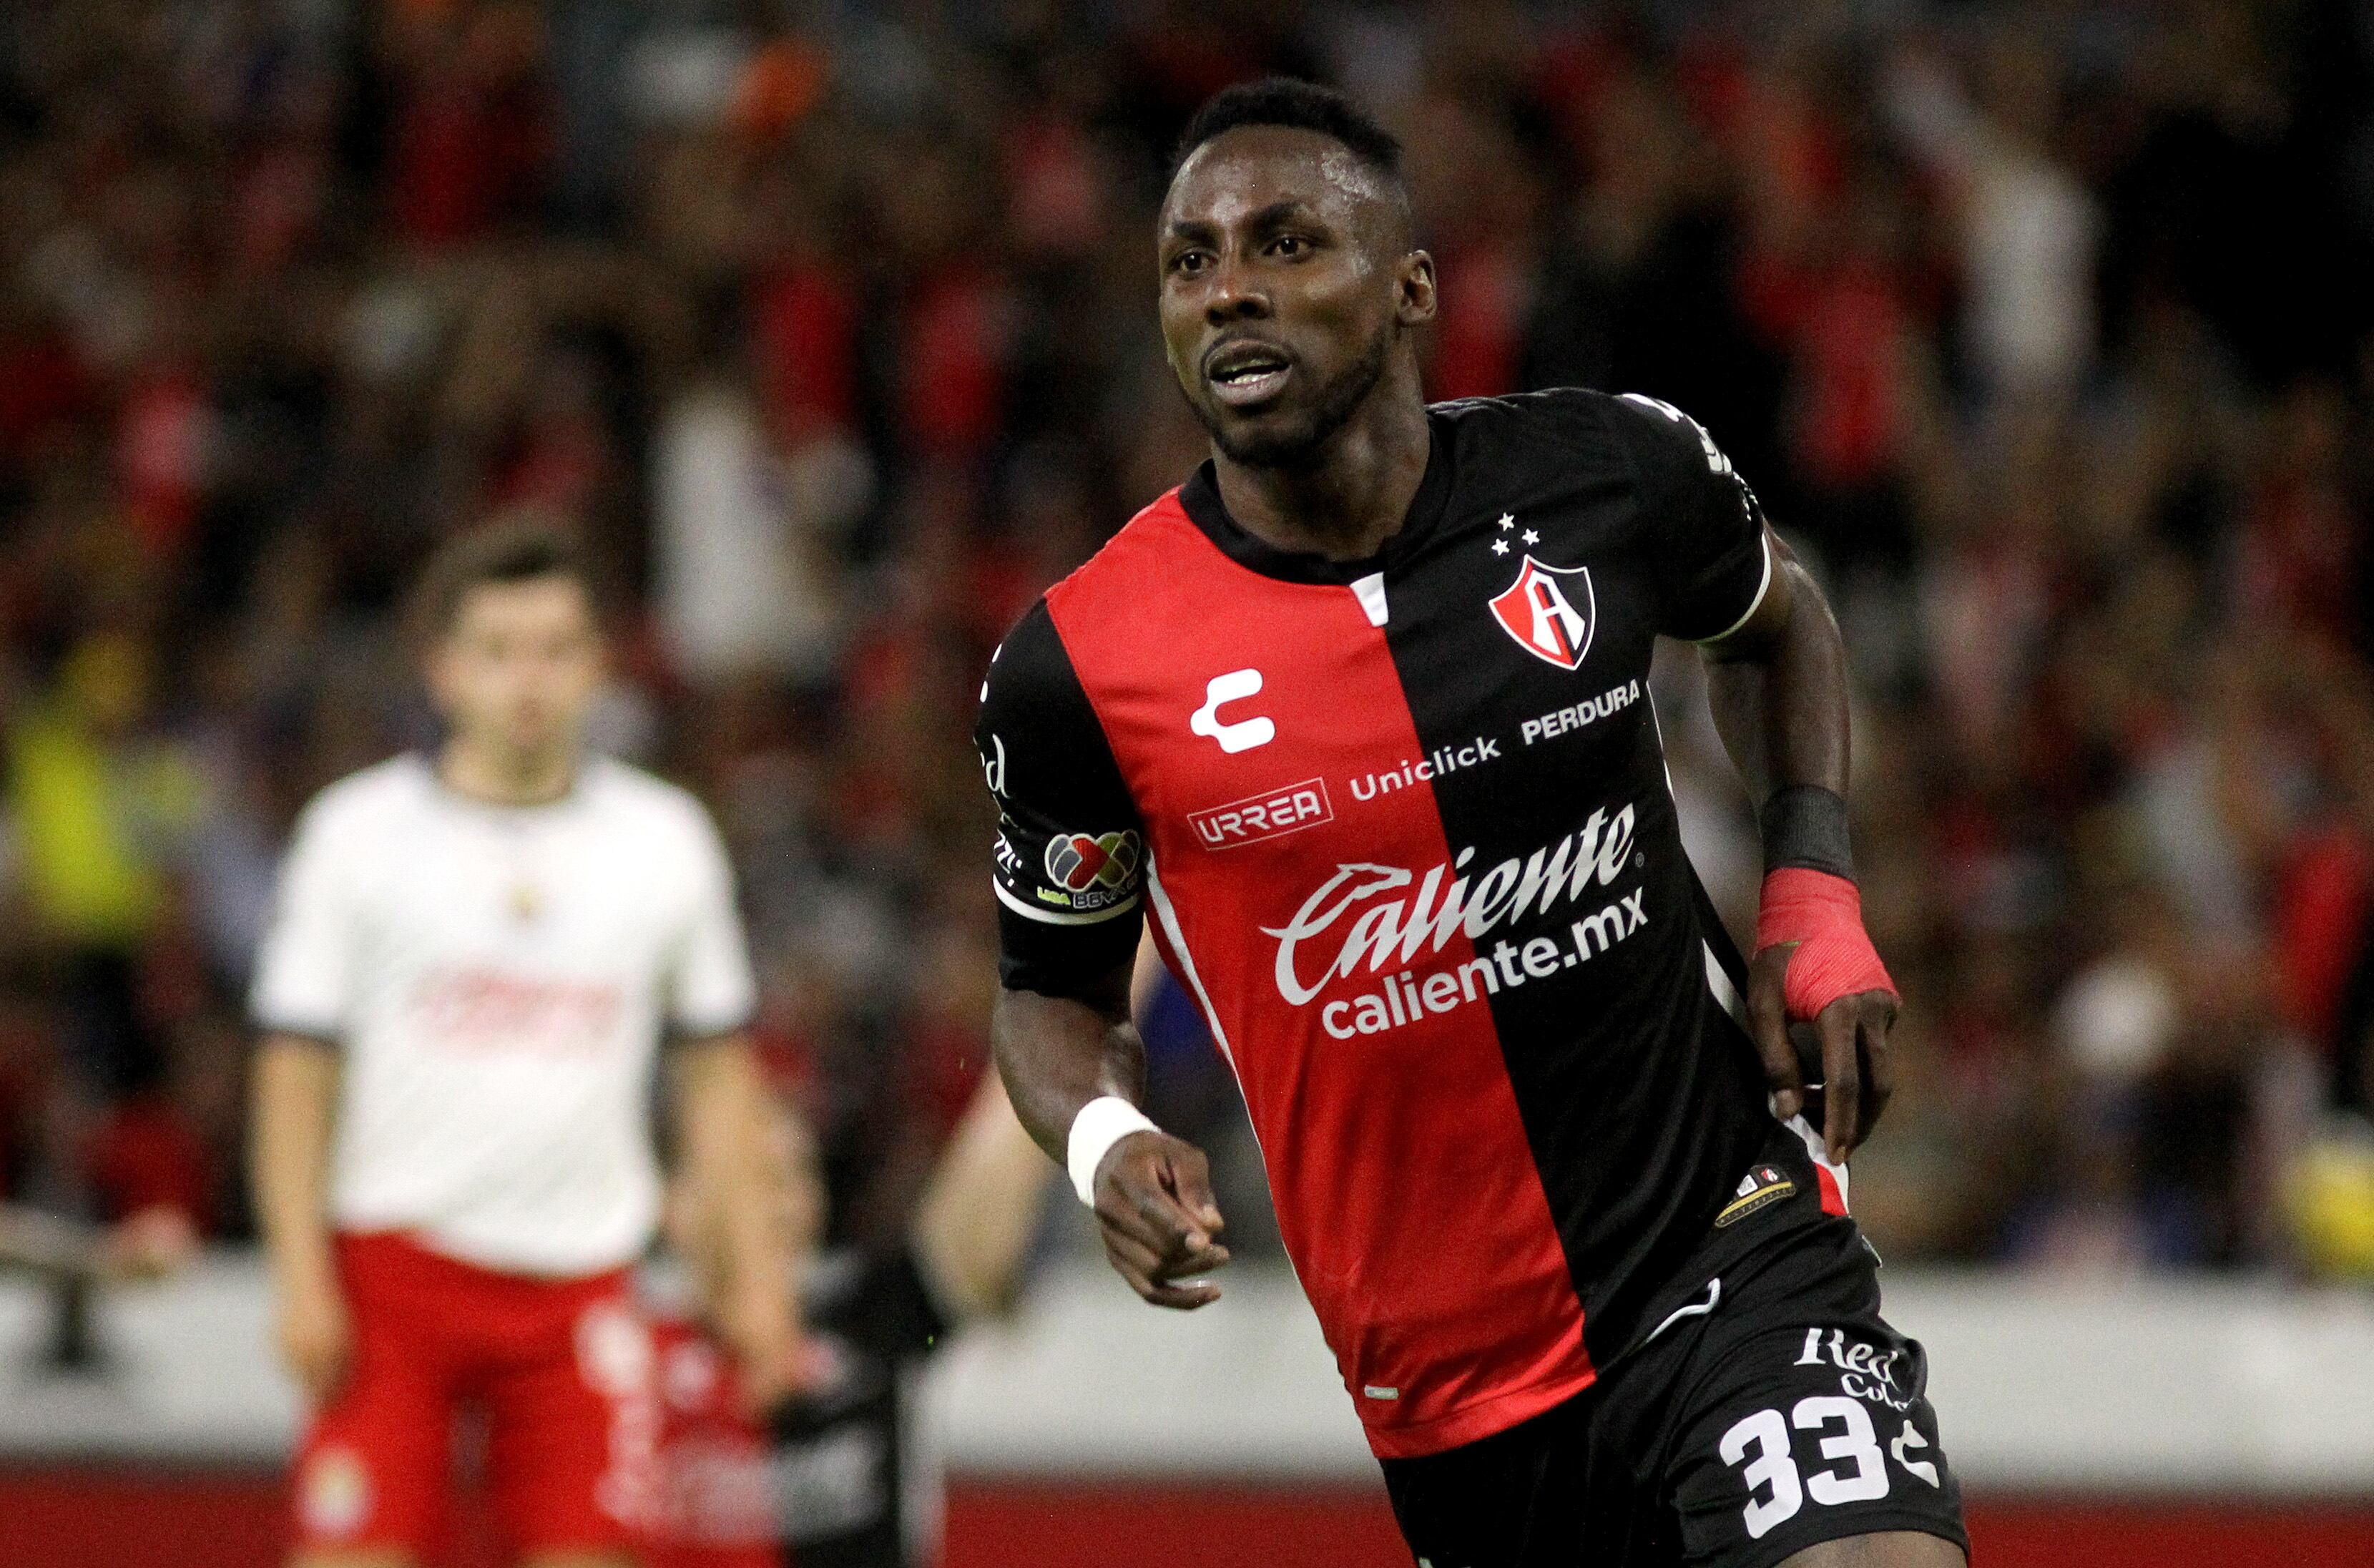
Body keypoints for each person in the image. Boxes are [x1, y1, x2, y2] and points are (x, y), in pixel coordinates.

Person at [975, 79, 1967, 1568]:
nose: (1228, 287)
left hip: (1726, 1243)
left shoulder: (1607, 475)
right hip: (1453, 1402)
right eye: (1190, 261)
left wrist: (1811, 901)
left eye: (1286, 242)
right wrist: (1105, 1137)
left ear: (1411, 288)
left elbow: (1774, 623)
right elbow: (1047, 995)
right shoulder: (1076, 670)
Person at [248, 520, 801, 1568]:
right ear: (443, 669)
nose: (528, 681)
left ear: (598, 664)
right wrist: (297, 1274)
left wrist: (757, 1283)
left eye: (554, 649)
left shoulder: (663, 841)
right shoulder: (355, 836)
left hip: (580, 1283)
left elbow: (718, 1078)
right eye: (498, 651)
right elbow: (294, 1073)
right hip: (392, 1276)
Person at [642, 1072, 1058, 1568]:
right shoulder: (625, 1350)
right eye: (749, 1177)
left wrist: (1052, 1039)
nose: (776, 1200)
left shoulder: (873, 1317)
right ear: (671, 1205)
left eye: (795, 1174)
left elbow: (979, 1223)